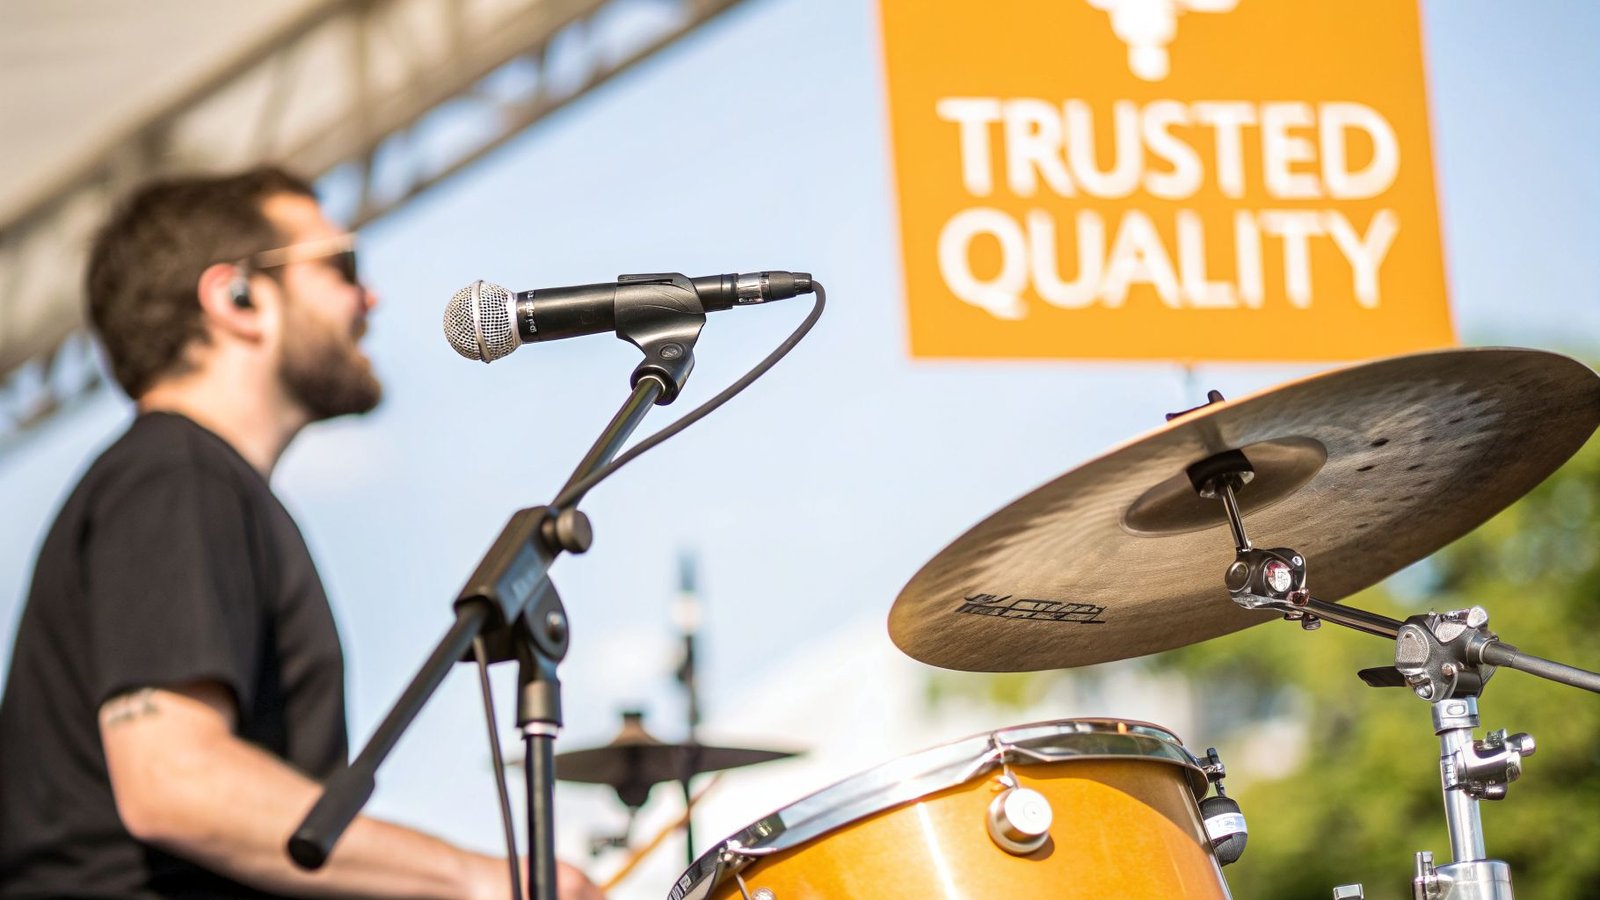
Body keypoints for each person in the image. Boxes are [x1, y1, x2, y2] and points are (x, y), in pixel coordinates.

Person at [0, 168, 603, 900]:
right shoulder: (175, 473)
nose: (368, 297)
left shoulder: (191, 480)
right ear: (238, 299)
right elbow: (173, 780)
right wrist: (481, 882)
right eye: (340, 266)